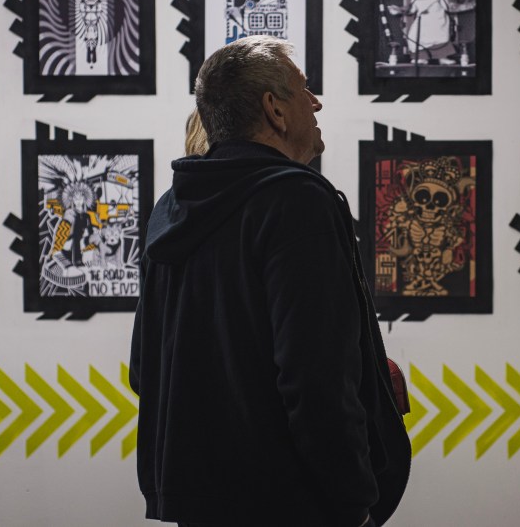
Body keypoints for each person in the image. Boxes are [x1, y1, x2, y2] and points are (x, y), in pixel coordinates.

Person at [129, 35, 411, 527]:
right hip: (293, 504)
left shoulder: (171, 208)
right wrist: (353, 507)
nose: (316, 102)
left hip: (200, 504)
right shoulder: (297, 202)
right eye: (304, 89)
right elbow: (316, 378)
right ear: (274, 110)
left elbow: (144, 368)